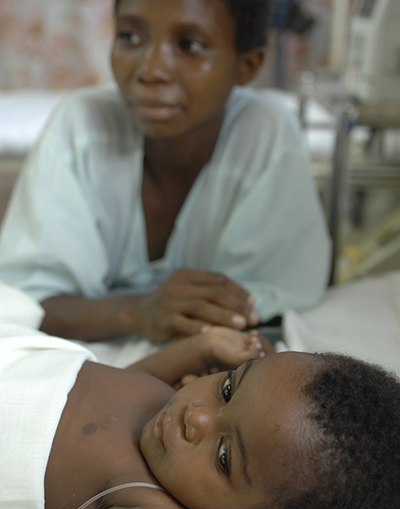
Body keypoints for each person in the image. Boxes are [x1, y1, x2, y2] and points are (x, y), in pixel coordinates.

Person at [0, 0, 331, 343]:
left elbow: (263, 306)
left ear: (246, 66)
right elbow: (25, 305)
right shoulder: (81, 127)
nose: (152, 70)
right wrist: (138, 310)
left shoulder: (266, 136)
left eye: (190, 45)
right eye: (130, 37)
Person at [0, 324, 400, 509]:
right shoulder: (166, 405)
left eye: (224, 456)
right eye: (228, 387)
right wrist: (198, 347)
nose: (196, 415)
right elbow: (101, 392)